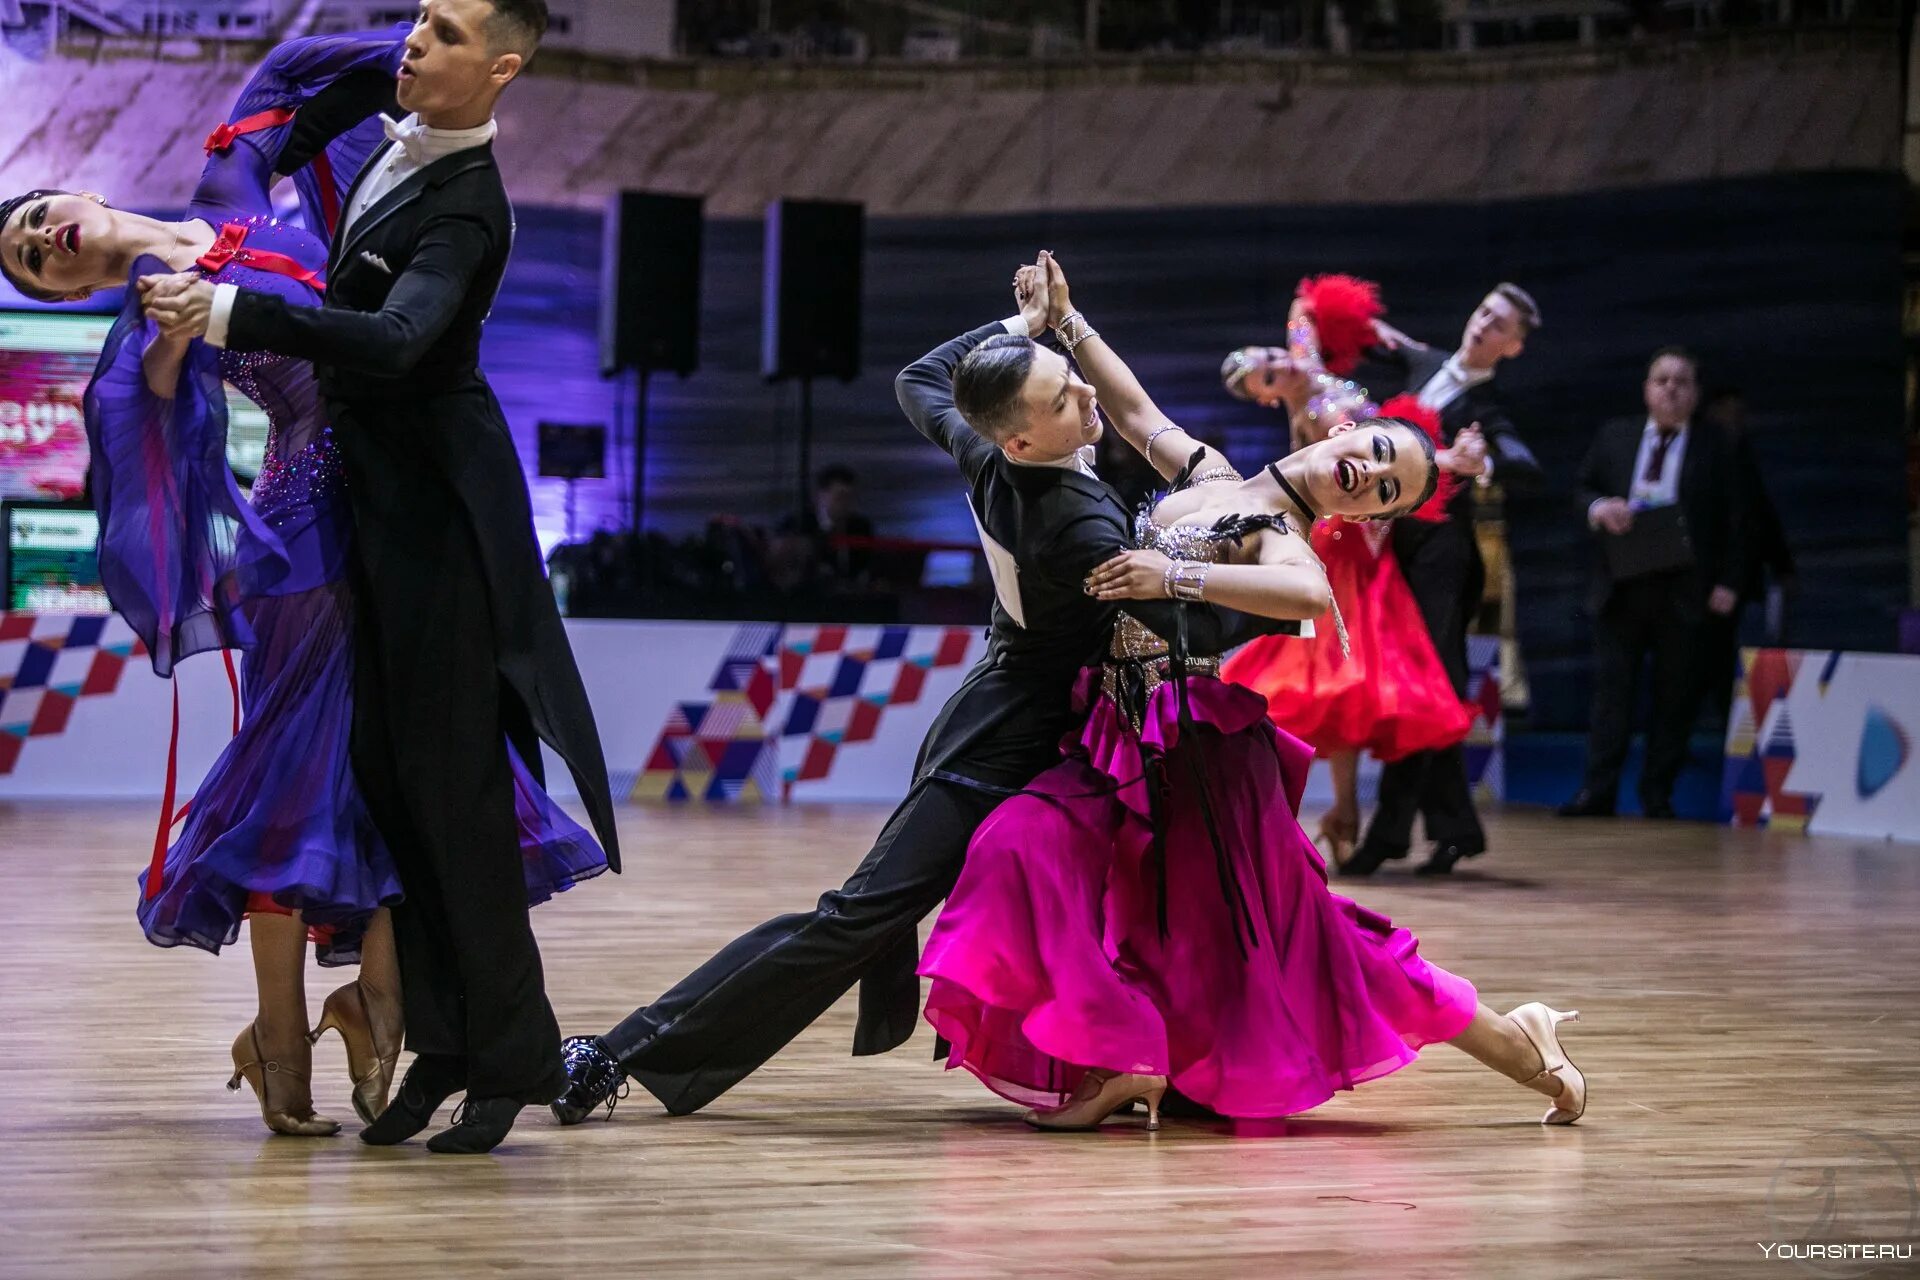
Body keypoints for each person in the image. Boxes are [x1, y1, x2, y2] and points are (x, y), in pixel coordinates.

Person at [1, 27, 607, 1140]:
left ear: (78, 190)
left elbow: (289, 78)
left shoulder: (234, 175)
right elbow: (144, 432)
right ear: (67, 281)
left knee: (379, 776)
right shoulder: (149, 314)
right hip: (302, 546)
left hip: (384, 511)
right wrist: (171, 342)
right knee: (298, 786)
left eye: (37, 220)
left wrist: (417, 50)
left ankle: (371, 1011)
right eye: (34, 260)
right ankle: (294, 1028)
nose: (44, 241)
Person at [547, 255, 1292, 1125]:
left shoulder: (988, 453)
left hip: (1010, 717)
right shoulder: (1077, 527)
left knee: (970, 909)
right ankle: (614, 1054)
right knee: (854, 920)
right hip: (1004, 746)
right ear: (1021, 438)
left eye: (1071, 382)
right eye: (1063, 400)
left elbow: (920, 377)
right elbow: (1184, 633)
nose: (1087, 399)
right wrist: (1288, 588)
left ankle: (1143, 1057)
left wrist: (1030, 325)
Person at [918, 253, 1586, 1131]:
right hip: (1117, 732)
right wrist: (1071, 324)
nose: (1370, 475)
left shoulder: (1285, 536)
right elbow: (1133, 411)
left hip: (1198, 759)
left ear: (1372, 517)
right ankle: (1118, 1057)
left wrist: (1171, 576)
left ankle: (1525, 1048)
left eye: (1388, 490)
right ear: (1349, 430)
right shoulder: (1212, 477)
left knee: (1317, 949)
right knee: (1022, 846)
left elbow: (1307, 596)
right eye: (1377, 454)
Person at [1218, 277, 1478, 868]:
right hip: (1346, 547)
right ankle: (1334, 810)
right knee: (1338, 679)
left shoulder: (1305, 363)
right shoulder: (1306, 412)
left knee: (1349, 682)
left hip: (1366, 547)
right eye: (1264, 374)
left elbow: (1301, 308)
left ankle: (1342, 811)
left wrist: (1361, 324)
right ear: (1265, 393)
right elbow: (1363, 465)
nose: (1275, 365)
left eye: (1267, 356)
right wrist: (1447, 461)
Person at [1324, 284, 1543, 876]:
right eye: (1483, 312)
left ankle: (1388, 836)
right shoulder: (1422, 361)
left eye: (1500, 325)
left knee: (1422, 691)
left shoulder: (1488, 409)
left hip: (1442, 558)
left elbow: (1526, 467)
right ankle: (1454, 831)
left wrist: (1484, 464)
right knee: (1429, 694)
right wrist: (1311, 314)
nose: (1484, 325)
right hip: (1390, 547)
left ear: (1513, 346)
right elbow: (1360, 333)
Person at [1560, 347, 1748, 820]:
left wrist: (1730, 581)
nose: (1670, 389)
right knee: (1612, 696)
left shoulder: (1716, 444)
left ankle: (1657, 794)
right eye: (1661, 380)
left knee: (1675, 697)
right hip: (1621, 586)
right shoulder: (1615, 436)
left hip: (1684, 589)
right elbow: (1581, 488)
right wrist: (1599, 508)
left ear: (1695, 393)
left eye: (1681, 381)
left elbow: (1741, 520)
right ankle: (1597, 792)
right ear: (1646, 389)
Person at [1698, 388, 1794, 725]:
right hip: (1697, 579)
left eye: (1740, 414)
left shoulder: (1741, 457)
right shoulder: (1701, 456)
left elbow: (1759, 517)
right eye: (1728, 412)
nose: (1735, 420)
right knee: (1704, 660)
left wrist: (1782, 564)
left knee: (1723, 657)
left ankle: (1734, 731)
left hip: (1734, 580)